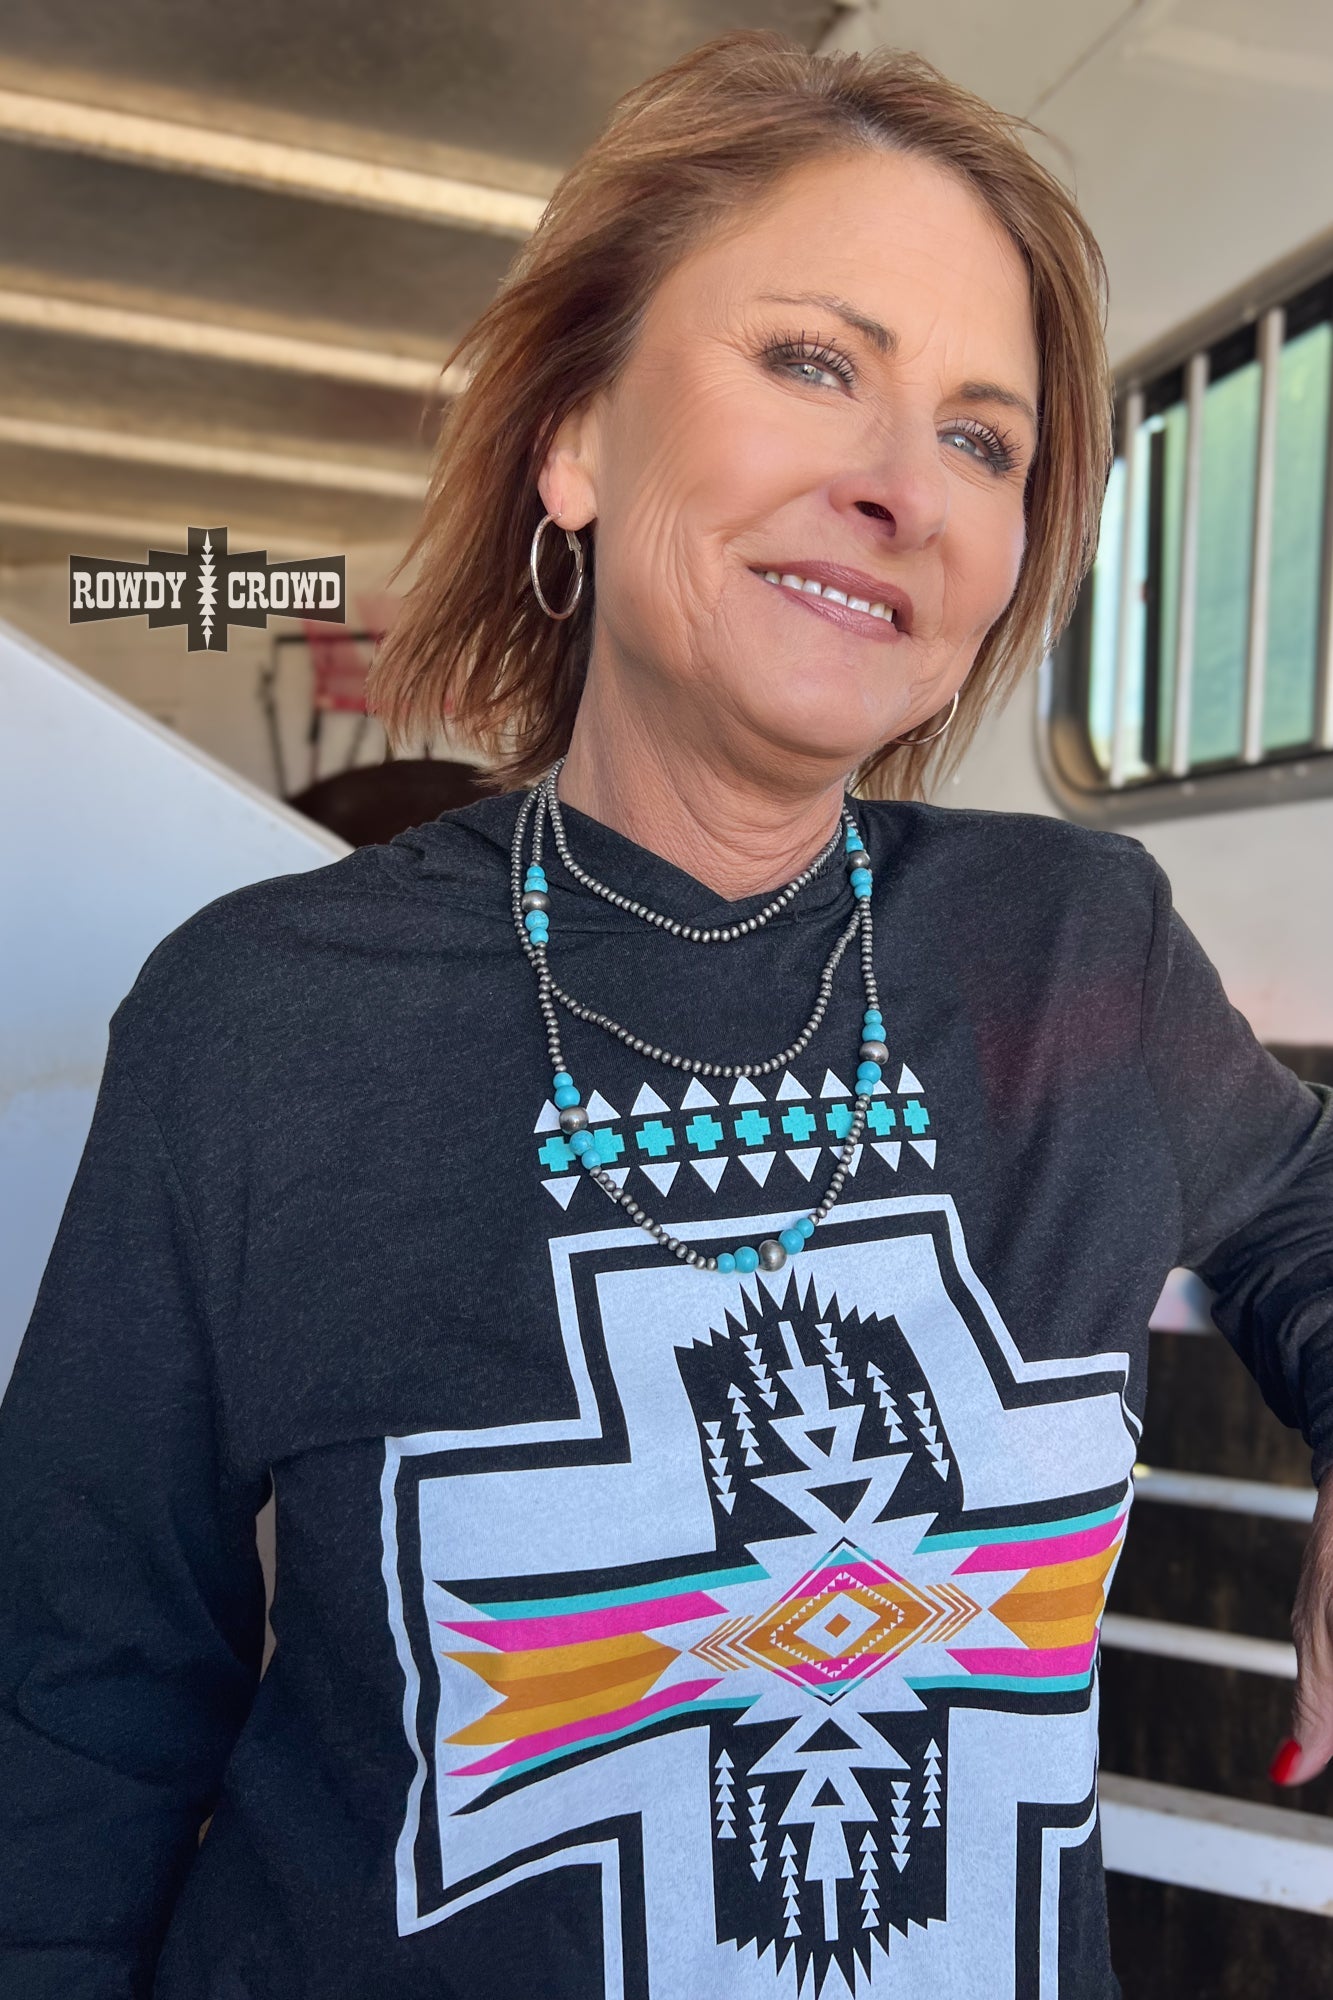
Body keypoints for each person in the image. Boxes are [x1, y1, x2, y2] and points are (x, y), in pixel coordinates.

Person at [1, 29, 1330, 2000]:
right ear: (576, 440)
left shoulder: (1074, 949)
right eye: (811, 360)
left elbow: (1300, 1203)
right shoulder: (260, 1023)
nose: (900, 485)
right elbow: (74, 1714)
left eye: (983, 440)